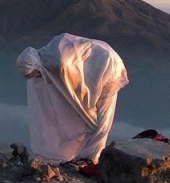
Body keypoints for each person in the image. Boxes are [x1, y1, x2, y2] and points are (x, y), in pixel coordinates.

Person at [16, 33, 129, 166]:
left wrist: (85, 108)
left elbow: (74, 86)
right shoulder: (47, 60)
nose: (37, 77)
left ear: (36, 65)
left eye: (35, 74)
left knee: (103, 117)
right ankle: (87, 155)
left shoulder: (59, 63)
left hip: (107, 67)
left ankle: (92, 157)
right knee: (92, 116)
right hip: (95, 66)